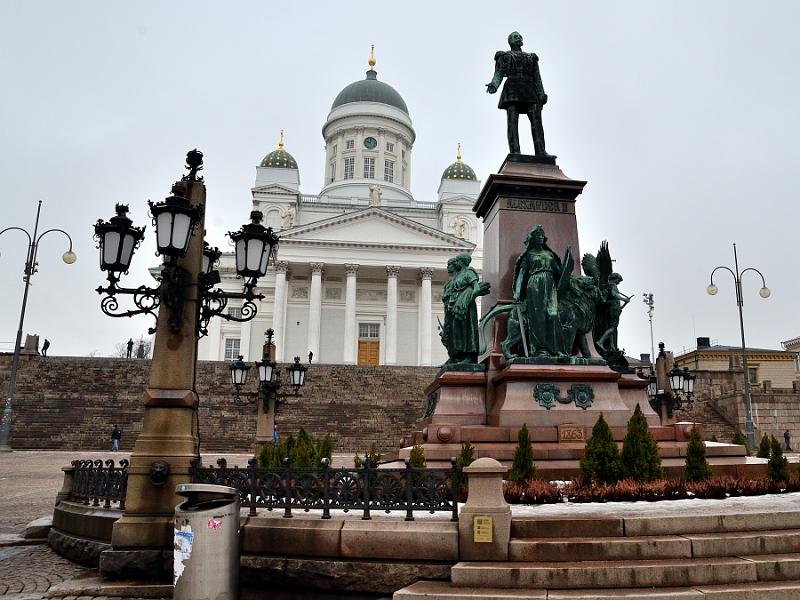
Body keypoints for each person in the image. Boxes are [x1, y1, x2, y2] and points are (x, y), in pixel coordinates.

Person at [486, 31, 553, 158]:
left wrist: (541, 93)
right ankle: (515, 151)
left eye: (520, 36)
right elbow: (499, 73)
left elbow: (537, 77)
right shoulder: (504, 56)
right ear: (510, 41)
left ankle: (541, 151)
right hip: (512, 90)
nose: (519, 38)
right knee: (512, 122)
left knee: (536, 121)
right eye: (515, 37)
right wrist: (494, 85)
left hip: (529, 89)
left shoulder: (531, 57)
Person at [511, 225, 566, 357]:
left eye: (542, 236)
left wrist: (566, 266)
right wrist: (517, 291)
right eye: (538, 236)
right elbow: (522, 274)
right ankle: (540, 349)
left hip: (550, 283)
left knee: (553, 315)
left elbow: (559, 271)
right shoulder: (529, 255)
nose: (541, 238)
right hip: (535, 284)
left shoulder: (549, 254)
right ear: (533, 239)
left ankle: (555, 348)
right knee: (538, 317)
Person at [440, 253, 490, 364]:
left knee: (467, 331)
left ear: (462, 262)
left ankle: (469, 356)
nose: (455, 263)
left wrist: (465, 299)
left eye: (457, 261)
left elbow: (476, 288)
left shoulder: (469, 272)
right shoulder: (458, 275)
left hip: (466, 308)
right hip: (455, 307)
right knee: (457, 332)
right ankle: (458, 356)